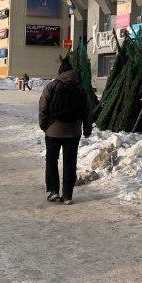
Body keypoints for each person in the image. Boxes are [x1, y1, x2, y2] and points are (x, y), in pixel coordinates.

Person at [38, 58, 92, 205]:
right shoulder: (81, 88)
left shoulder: (52, 86)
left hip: (53, 131)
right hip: (73, 132)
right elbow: (87, 111)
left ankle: (54, 191)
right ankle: (67, 195)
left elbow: (43, 108)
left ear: (60, 71)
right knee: (70, 162)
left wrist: (44, 125)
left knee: (51, 160)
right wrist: (87, 129)